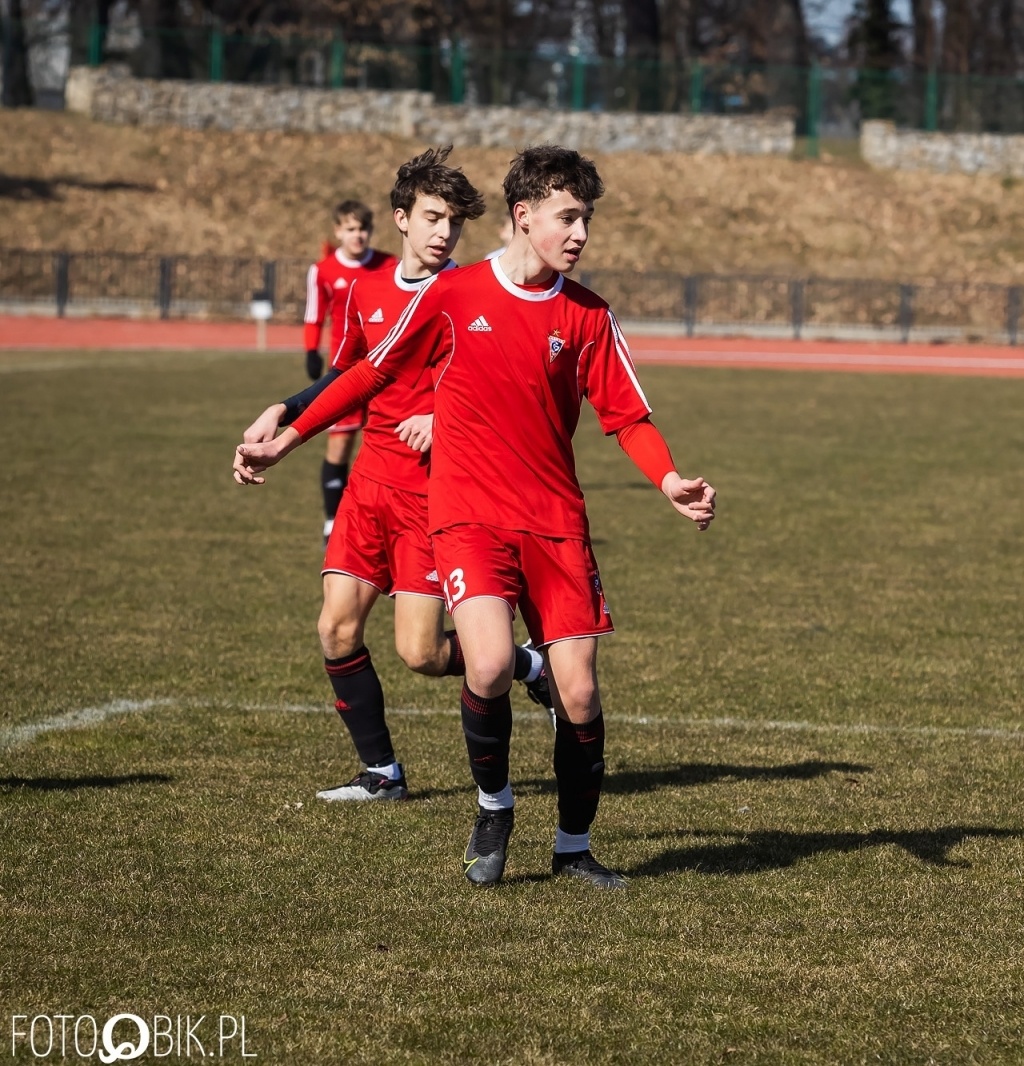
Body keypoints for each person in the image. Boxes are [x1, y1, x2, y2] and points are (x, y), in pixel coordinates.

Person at [235, 145, 717, 889]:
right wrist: (291, 435)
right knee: (486, 663)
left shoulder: (587, 315)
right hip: (470, 517)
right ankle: (494, 807)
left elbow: (627, 415)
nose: (580, 233)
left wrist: (670, 479)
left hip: (556, 520)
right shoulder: (455, 295)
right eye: (567, 217)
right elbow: (371, 371)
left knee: (581, 692)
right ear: (524, 217)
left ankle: (574, 849)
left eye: (586, 218)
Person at [242, 148, 551, 803]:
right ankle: (382, 772)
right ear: (401, 219)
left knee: (421, 653)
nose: (445, 233)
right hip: (370, 485)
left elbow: (504, 388)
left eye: (455, 223)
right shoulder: (362, 290)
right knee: (335, 628)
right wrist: (286, 410)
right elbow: (349, 375)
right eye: (434, 218)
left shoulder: (471, 296)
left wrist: (443, 416)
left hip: (437, 497)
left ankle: (526, 663)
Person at [304, 201, 396, 540]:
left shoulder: (390, 265)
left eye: (363, 229)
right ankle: (332, 519)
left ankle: (382, 518)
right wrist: (311, 351)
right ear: (338, 231)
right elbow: (314, 316)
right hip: (344, 371)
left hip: (386, 370)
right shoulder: (323, 271)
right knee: (339, 445)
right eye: (351, 229)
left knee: (384, 446)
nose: (357, 236)